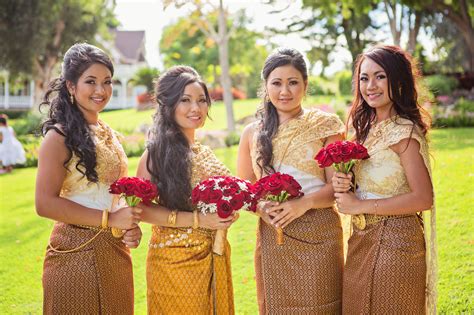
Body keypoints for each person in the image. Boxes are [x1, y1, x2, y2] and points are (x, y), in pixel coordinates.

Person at [237, 47, 346, 314]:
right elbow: (244, 187)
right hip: (275, 235)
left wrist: (304, 204)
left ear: (305, 85)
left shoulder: (325, 126)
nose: (285, 91)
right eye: (277, 83)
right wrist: (261, 208)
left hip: (320, 235)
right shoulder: (252, 133)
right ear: (266, 86)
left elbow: (338, 188)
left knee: (323, 306)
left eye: (293, 82)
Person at [36, 43, 142, 314]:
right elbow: (44, 203)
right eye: (91, 82)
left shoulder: (109, 133)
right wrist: (110, 220)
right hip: (74, 255)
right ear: (71, 86)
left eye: (107, 82)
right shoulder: (58, 137)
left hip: (114, 253)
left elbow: (112, 193)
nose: (101, 90)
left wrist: (127, 225)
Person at [332, 44, 437, 313]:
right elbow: (363, 186)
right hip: (360, 239)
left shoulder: (404, 132)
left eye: (380, 76)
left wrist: (360, 206)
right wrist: (344, 184)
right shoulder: (362, 132)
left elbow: (424, 198)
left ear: (397, 79)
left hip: (397, 244)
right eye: (364, 78)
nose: (371, 86)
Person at [136, 65, 237, 314]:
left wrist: (228, 210)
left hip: (215, 252)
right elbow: (141, 210)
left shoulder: (203, 151)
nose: (196, 108)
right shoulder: (156, 153)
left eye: (202, 100)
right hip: (174, 261)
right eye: (185, 100)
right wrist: (199, 220)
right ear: (169, 105)